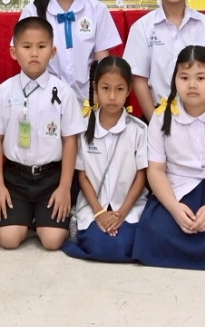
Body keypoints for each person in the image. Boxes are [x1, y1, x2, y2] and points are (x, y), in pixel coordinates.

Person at [133, 44, 205, 271]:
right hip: (176, 190)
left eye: (201, 78)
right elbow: (156, 170)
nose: (192, 84)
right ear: (175, 79)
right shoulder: (161, 116)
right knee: (155, 232)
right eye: (184, 77)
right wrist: (174, 208)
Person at [0, 16, 83, 251]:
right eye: (26, 46)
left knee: (52, 241)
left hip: (51, 178)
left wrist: (64, 188)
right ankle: (26, 216)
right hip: (15, 178)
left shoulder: (64, 93)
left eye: (42, 46)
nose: (34, 53)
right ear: (13, 51)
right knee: (8, 240)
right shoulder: (3, 92)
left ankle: (40, 217)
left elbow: (70, 141)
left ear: (53, 51)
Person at [62, 55, 148, 263]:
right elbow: (82, 177)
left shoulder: (139, 129)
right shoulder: (82, 127)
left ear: (129, 90)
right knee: (99, 245)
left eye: (119, 89)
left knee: (123, 245)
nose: (112, 96)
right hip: (94, 206)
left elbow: (141, 177)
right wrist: (100, 213)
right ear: (95, 87)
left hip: (128, 206)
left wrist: (121, 213)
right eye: (105, 88)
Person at [18, 0, 121, 99]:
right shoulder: (33, 11)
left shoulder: (97, 10)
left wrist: (99, 99)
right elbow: (26, 60)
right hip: (44, 99)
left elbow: (103, 63)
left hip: (87, 100)